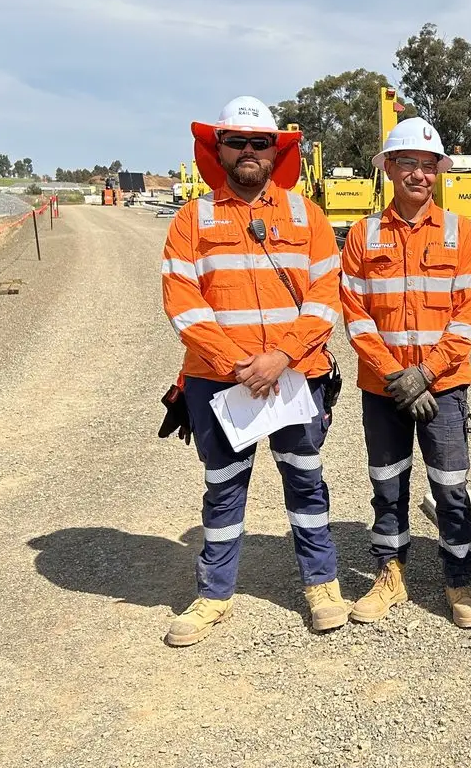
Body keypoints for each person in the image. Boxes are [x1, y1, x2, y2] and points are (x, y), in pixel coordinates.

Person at [160, 96, 347, 647]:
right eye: (236, 142)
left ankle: (322, 584)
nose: (248, 151)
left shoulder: (305, 215)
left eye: (259, 142)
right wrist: (236, 366)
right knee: (223, 487)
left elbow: (324, 296)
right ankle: (213, 595)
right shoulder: (192, 219)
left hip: (293, 376)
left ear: (276, 151)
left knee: (306, 479)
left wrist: (280, 358)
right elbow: (182, 301)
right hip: (221, 381)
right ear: (217, 149)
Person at [339, 117, 471, 628]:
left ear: (438, 172)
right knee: (388, 482)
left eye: (428, 165)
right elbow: (355, 315)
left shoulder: (459, 232)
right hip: (384, 390)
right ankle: (390, 574)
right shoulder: (363, 234)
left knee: (450, 485)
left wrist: (424, 374)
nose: (419, 174)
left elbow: (467, 317)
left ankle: (458, 580)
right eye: (409, 163)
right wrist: (395, 376)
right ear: (390, 169)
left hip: (442, 388)